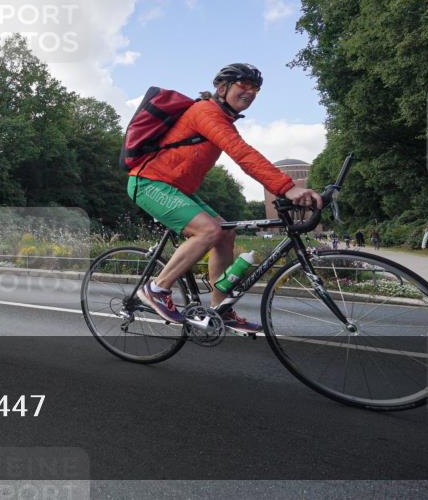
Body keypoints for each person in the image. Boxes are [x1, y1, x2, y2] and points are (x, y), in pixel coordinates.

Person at [128, 63, 322, 334]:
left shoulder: (220, 117)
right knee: (209, 231)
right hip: (149, 183)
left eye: (255, 88)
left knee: (226, 234)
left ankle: (220, 309)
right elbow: (241, 153)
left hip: (176, 189)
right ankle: (157, 289)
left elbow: (241, 152)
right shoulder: (206, 112)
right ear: (222, 88)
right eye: (244, 85)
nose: (251, 92)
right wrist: (287, 187)